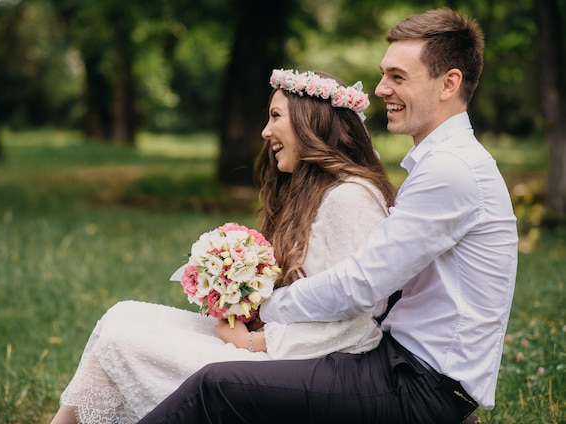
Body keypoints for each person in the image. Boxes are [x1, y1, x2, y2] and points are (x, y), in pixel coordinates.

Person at [136, 8, 518, 424]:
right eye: (383, 73)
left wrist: (265, 309)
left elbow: (361, 284)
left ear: (450, 83)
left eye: (398, 77)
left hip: (422, 385)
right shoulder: (443, 164)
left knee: (217, 386)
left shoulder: (451, 171)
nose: (380, 88)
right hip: (401, 363)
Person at [49, 69, 396, 424]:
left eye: (276, 116)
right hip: (274, 341)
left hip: (304, 364)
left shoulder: (351, 197)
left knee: (122, 341)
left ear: (313, 123)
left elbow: (360, 315)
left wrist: (253, 344)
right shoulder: (312, 191)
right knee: (122, 315)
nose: (265, 131)